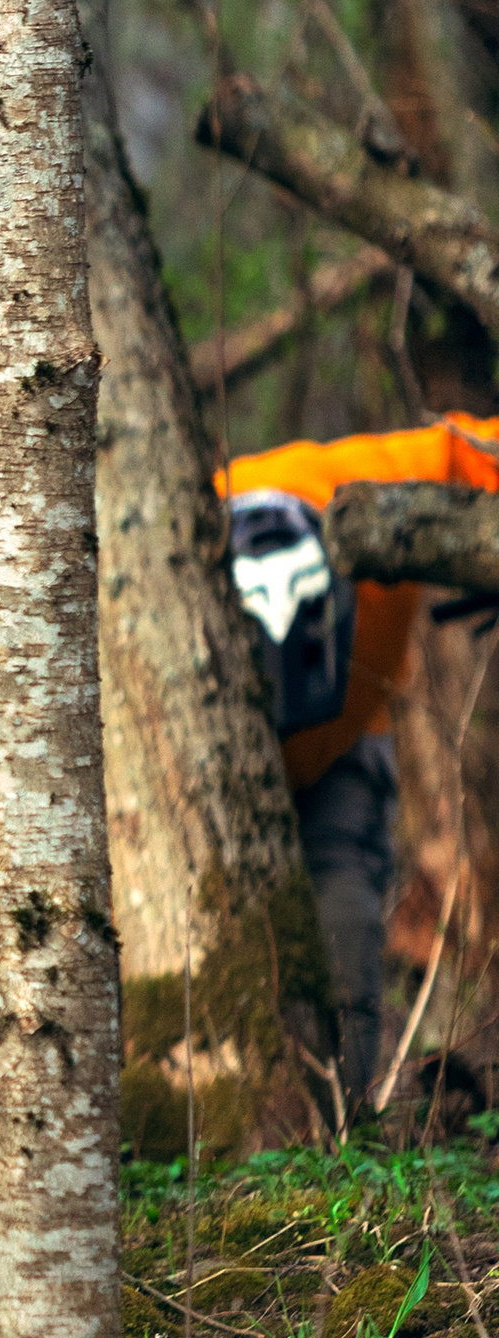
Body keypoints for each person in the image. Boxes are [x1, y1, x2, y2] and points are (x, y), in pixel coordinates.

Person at [220, 416, 499, 1102]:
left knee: (343, 905)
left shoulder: (392, 475)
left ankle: (344, 1114)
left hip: (346, 735)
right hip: (212, 760)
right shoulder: (161, 540)